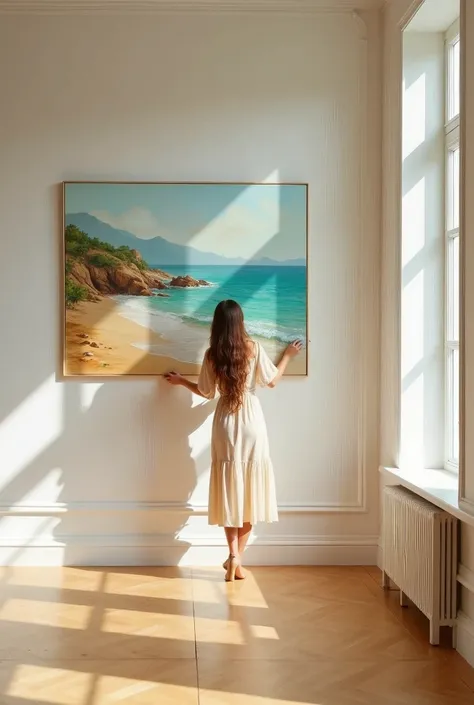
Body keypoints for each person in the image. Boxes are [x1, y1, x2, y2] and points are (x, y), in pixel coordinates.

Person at [165, 300, 302, 581]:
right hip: (252, 420)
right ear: (241, 322)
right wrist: (288, 355)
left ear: (217, 323)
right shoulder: (254, 348)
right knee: (250, 491)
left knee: (231, 490)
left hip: (225, 420)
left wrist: (181, 382)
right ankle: (237, 560)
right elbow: (272, 381)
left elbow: (205, 392)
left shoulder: (212, 354)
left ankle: (232, 556)